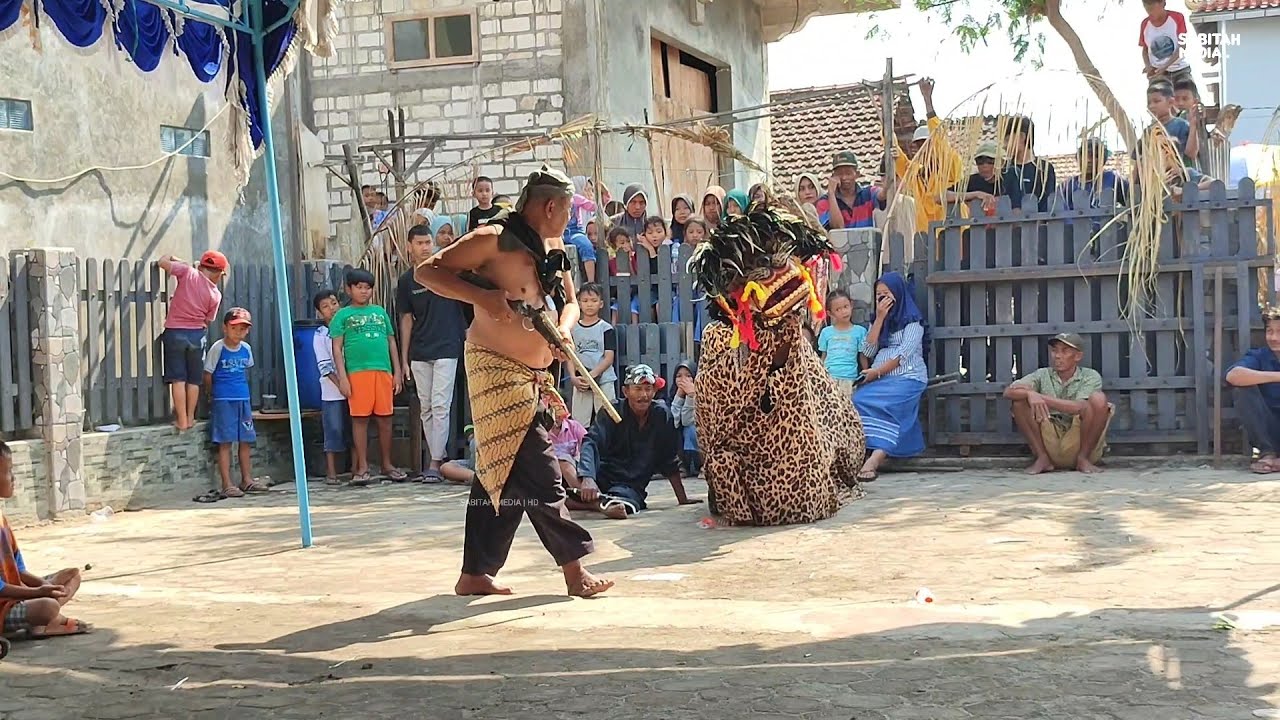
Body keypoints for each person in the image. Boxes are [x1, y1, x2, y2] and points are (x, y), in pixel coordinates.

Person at [415, 165, 614, 598]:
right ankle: (575, 570)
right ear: (550, 207)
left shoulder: (554, 244)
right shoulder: (491, 238)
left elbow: (571, 302)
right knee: (541, 471)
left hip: (536, 373)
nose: (571, 218)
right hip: (495, 368)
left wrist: (564, 330)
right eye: (568, 210)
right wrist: (482, 296)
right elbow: (428, 272)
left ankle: (475, 573)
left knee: (500, 472)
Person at [690, 207, 865, 526]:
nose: (781, 272)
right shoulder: (719, 338)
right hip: (747, 453)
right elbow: (722, 416)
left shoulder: (791, 330)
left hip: (800, 453)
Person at [577, 365, 696, 518]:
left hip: (630, 486)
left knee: (624, 502)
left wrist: (682, 498)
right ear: (625, 391)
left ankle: (599, 503)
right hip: (602, 476)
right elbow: (592, 442)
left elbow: (669, 459)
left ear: (654, 391)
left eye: (648, 389)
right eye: (638, 389)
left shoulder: (661, 415)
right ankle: (598, 503)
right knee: (565, 471)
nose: (644, 395)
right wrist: (588, 477)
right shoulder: (611, 411)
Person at [397, 225, 466, 484]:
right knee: (425, 407)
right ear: (409, 247)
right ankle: (437, 458)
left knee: (440, 404)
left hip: (448, 346)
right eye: (420, 243)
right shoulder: (406, 281)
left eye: (428, 242)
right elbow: (406, 320)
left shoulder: (445, 270)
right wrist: (404, 359)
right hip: (419, 350)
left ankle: (435, 462)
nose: (425, 247)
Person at [1, 443, 90, 641]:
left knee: (72, 576)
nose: (13, 478)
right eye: (8, 471)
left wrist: (44, 586)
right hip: (2, 606)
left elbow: (19, 570)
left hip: (16, 595)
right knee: (47, 606)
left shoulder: (2, 521)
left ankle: (43, 624)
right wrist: (37, 593)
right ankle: (49, 620)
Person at [332, 268, 408, 486]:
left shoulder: (380, 312)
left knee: (385, 419)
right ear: (349, 289)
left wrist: (396, 372)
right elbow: (337, 349)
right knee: (360, 419)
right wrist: (343, 378)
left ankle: (387, 464)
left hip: (383, 371)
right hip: (357, 373)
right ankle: (362, 467)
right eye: (359, 287)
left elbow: (391, 341)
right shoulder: (342, 315)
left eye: (368, 288)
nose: (364, 291)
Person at [854, 272, 929, 481]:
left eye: (887, 294)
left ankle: (874, 460)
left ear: (898, 294)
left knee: (890, 407)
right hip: (880, 379)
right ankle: (862, 451)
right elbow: (868, 351)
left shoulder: (913, 324)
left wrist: (877, 372)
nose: (883, 298)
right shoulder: (879, 320)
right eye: (879, 294)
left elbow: (902, 356)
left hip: (908, 378)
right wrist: (879, 319)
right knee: (858, 399)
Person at [1004, 333, 1111, 475]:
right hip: (1050, 439)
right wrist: (1030, 394)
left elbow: (1079, 407)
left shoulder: (1090, 376)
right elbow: (1008, 392)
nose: (1058, 356)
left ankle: (1083, 459)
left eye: (1065, 351)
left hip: (1080, 438)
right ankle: (1042, 458)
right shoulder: (1042, 374)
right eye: (1054, 351)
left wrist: (1039, 397)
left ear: (1078, 356)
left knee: (1099, 399)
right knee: (1020, 402)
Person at [200, 307, 266, 498]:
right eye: (234, 327)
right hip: (223, 400)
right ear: (225, 328)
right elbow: (208, 374)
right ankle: (227, 484)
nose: (238, 332)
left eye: (243, 328)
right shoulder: (218, 348)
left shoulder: (246, 349)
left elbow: (246, 369)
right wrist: (211, 394)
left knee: (245, 440)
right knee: (225, 442)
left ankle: (247, 480)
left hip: (242, 398)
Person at [159, 251, 227, 431]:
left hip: (175, 332)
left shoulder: (187, 272)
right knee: (193, 380)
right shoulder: (215, 294)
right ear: (219, 274)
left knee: (178, 378)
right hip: (197, 335)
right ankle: (190, 418)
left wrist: (170, 257)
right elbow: (208, 319)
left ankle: (181, 420)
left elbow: (162, 262)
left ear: (201, 266)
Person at [891, 78, 967, 233]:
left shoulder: (950, 167)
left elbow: (939, 138)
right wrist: (884, 119)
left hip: (955, 235)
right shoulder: (916, 173)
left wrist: (927, 101)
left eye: (926, 144)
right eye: (919, 145)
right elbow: (895, 152)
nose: (923, 149)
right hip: (927, 237)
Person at [1224, 311, 1280, 473]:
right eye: (1270, 331)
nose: (1274, 337)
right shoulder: (1259, 356)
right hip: (1270, 428)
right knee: (1242, 388)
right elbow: (1233, 375)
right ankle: (1268, 454)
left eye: (1279, 332)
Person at [312, 289, 350, 485]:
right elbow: (325, 366)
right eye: (325, 307)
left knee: (353, 429)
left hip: (354, 388)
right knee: (333, 429)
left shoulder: (349, 329)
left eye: (334, 303)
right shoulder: (320, 335)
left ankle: (356, 468)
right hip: (332, 391)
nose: (332, 309)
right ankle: (332, 473)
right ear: (319, 313)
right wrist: (341, 384)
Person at [569, 283, 617, 426]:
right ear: (579, 303)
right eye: (585, 301)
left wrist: (592, 375)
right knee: (579, 422)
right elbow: (569, 355)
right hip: (581, 381)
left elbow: (609, 358)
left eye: (594, 300)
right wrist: (573, 377)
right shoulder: (572, 329)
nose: (589, 304)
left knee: (607, 419)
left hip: (603, 379)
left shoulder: (606, 329)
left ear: (601, 304)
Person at [818, 289, 868, 402]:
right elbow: (824, 356)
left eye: (845, 306)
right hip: (828, 378)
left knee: (846, 407)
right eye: (838, 309)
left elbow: (862, 356)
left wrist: (865, 374)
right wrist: (820, 374)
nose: (843, 311)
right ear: (830, 313)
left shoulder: (860, 332)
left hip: (849, 379)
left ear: (851, 305)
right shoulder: (826, 332)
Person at [1001, 116, 1058, 213]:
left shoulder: (1044, 169)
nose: (1004, 146)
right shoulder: (1005, 169)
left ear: (1022, 137)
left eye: (1007, 139)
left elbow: (1048, 201)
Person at [1059, 138, 1131, 212]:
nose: (1089, 160)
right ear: (1078, 159)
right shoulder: (1068, 186)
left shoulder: (1113, 179)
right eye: (1085, 156)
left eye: (1095, 156)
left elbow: (1131, 203)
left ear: (1103, 161)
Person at [816, 151, 882, 230]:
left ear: (857, 174)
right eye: (839, 174)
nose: (844, 177)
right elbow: (838, 227)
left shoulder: (868, 193)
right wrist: (831, 193)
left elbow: (883, 195)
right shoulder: (824, 201)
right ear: (833, 176)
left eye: (848, 173)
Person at [1139, 0, 1192, 86]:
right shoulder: (1145, 24)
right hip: (1157, 71)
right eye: (1147, 9)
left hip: (1179, 69)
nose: (1149, 12)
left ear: (1163, 3)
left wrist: (1165, 66)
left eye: (1152, 8)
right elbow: (1145, 49)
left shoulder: (1177, 17)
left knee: (1185, 92)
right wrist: (1148, 66)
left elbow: (1182, 46)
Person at [1148, 83, 1195, 169]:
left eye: (1156, 101)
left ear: (1170, 102)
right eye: (1149, 103)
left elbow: (1191, 153)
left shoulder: (1182, 125)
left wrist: (1193, 126)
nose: (1151, 106)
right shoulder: (1148, 131)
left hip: (1180, 173)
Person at [670, 360, 701, 477]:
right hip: (678, 445)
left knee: (690, 429)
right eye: (679, 376)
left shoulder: (703, 396)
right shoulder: (670, 396)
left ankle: (702, 465)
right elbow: (673, 422)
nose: (683, 380)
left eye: (688, 376)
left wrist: (691, 396)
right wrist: (679, 396)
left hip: (697, 441)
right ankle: (680, 466)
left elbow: (688, 421)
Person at [1173, 78, 1210, 172]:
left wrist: (1194, 124)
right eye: (1176, 99)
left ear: (1195, 101)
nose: (1180, 103)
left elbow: (1191, 153)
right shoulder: (1172, 122)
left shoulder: (1198, 120)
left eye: (1185, 99)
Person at [961, 140, 1002, 214]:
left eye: (989, 161)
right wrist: (976, 194)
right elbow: (941, 196)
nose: (984, 165)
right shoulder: (973, 181)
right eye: (980, 161)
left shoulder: (1008, 178)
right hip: (979, 220)